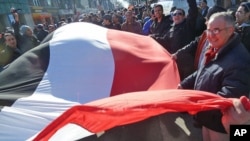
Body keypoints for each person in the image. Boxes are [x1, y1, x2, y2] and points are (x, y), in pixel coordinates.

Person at [178, 12, 250, 141]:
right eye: (208, 30)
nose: (210, 36)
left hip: (222, 125)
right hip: (208, 119)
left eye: (216, 30)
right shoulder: (217, 50)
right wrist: (183, 85)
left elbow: (228, 96)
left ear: (230, 30)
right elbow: (203, 71)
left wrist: (196, 106)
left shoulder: (239, 60)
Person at [153, 0, 198, 80]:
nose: (177, 15)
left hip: (187, 63)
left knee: (186, 87)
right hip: (175, 62)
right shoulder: (171, 29)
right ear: (172, 17)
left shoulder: (188, 25)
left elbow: (193, 10)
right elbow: (164, 40)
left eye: (180, 14)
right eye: (174, 14)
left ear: (184, 16)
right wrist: (152, 38)